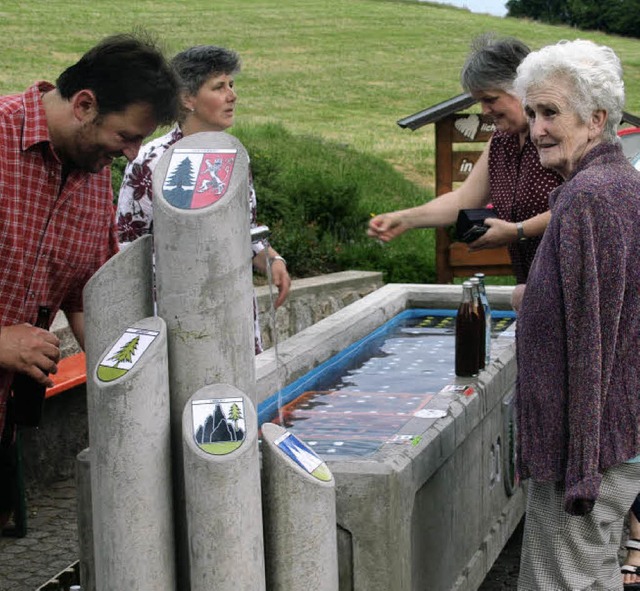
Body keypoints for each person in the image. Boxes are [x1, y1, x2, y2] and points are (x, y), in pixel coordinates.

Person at [0, 33, 179, 530]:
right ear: (84, 105)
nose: (130, 154)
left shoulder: (91, 170)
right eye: (126, 137)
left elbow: (89, 299)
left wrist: (137, 384)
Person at [513, 39, 640, 590]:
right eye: (532, 113)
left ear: (596, 119)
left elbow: (594, 343)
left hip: (586, 452)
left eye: (550, 113)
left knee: (563, 583)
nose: (537, 129)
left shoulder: (590, 196)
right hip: (607, 441)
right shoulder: (614, 185)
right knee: (593, 576)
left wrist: (582, 471)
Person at [116, 45, 291, 354]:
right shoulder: (153, 161)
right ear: (187, 98)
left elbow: (245, 231)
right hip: (176, 320)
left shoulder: (235, 156)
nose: (232, 95)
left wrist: (272, 260)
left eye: (232, 85)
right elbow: (128, 248)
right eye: (219, 87)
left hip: (234, 312)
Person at [367, 34, 563, 289]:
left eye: (491, 99)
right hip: (533, 284)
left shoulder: (559, 135)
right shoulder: (501, 142)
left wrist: (518, 230)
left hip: (571, 280)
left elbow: (579, 204)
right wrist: (404, 219)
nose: (484, 110)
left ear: (522, 89)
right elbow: (462, 201)